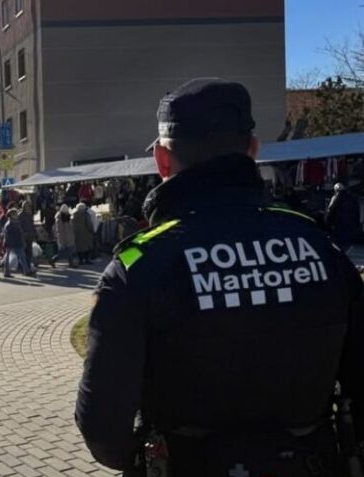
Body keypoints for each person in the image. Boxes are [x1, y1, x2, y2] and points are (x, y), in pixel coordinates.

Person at [76, 78, 364, 477]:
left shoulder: (137, 268)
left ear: (162, 160)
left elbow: (103, 430)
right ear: (253, 150)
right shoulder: (321, 247)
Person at [325, 182, 361, 251]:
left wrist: (327, 223)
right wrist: (357, 225)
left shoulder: (335, 198)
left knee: (338, 247)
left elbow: (330, 211)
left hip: (339, 227)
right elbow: (357, 213)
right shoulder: (353, 199)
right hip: (350, 228)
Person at [3, 209, 33, 278]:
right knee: (20, 257)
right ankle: (26, 271)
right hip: (14, 242)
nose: (17, 215)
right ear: (12, 215)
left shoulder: (15, 223)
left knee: (21, 257)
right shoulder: (10, 224)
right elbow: (11, 235)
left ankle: (26, 271)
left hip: (15, 242)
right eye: (15, 214)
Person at [18, 202, 37, 268]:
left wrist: (34, 233)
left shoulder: (30, 215)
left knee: (29, 252)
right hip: (24, 236)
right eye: (27, 206)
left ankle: (28, 265)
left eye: (29, 206)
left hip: (30, 235)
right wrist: (22, 233)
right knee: (24, 252)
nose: (29, 207)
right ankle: (23, 265)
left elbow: (32, 225)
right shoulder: (20, 215)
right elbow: (19, 225)